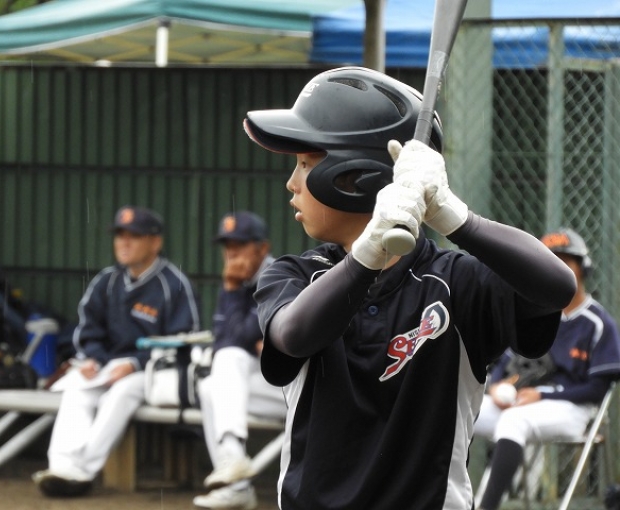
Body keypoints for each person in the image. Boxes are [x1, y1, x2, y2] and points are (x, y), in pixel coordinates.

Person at [241, 66, 577, 509]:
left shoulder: (456, 281)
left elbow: (557, 286)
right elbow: (295, 335)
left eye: (305, 164)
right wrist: (368, 254)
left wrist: (456, 217)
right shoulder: (298, 276)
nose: (292, 182)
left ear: (354, 175)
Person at [32, 205, 201, 497]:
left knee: (121, 392)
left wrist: (135, 363)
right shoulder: (106, 281)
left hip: (154, 371)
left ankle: (82, 473)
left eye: (133, 236)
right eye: (120, 236)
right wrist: (93, 359)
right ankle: (61, 467)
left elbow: (183, 342)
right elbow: (87, 331)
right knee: (77, 388)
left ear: (155, 242)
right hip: (107, 366)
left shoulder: (174, 284)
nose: (124, 243)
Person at [474, 227, 620, 510]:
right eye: (550, 261)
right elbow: (504, 364)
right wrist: (497, 386)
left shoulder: (597, 322)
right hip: (519, 403)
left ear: (583, 269)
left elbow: (597, 390)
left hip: (573, 409)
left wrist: (542, 395)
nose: (556, 268)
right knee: (460, 407)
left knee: (514, 420)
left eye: (566, 261)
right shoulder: (532, 316)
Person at [194, 211, 287, 510]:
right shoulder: (236, 282)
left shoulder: (278, 277)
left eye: (240, 245)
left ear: (262, 247)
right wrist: (232, 290)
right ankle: (235, 479)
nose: (232, 253)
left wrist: (232, 290)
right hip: (266, 384)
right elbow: (225, 341)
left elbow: (237, 337)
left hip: (296, 391)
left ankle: (233, 465)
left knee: (230, 357)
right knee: (210, 386)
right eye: (227, 246)